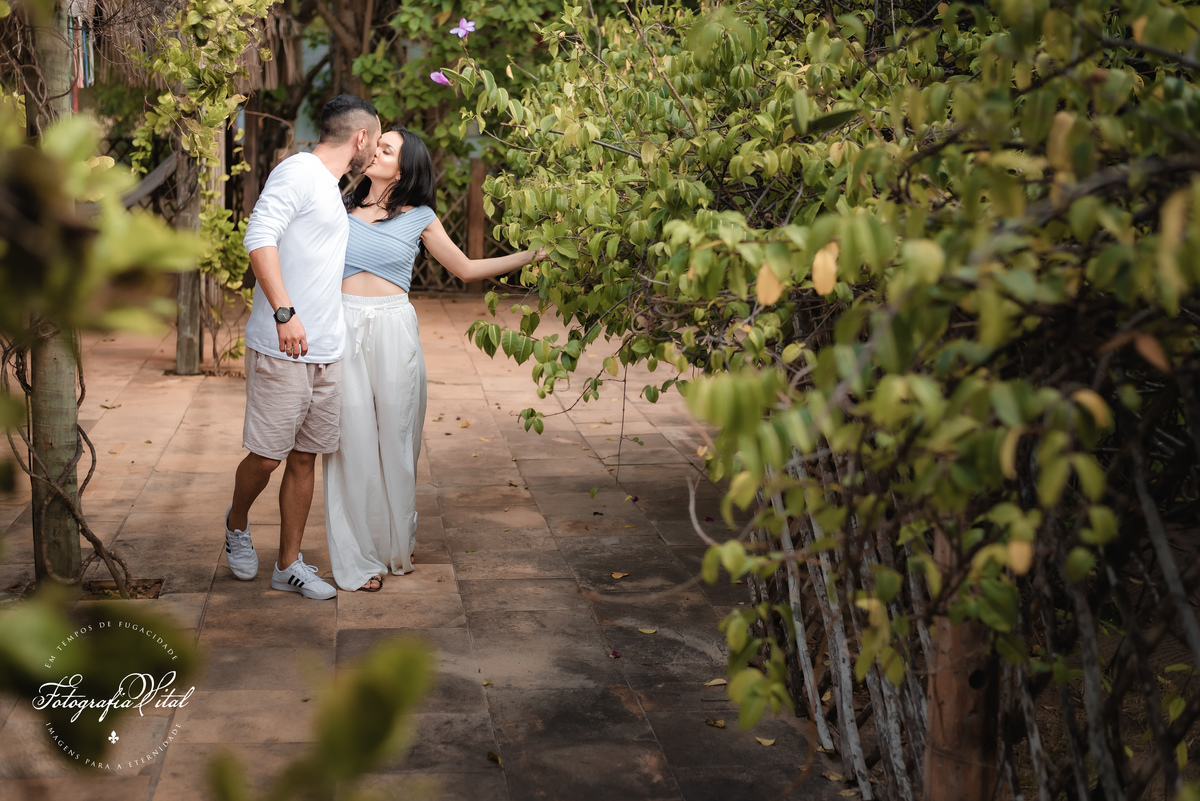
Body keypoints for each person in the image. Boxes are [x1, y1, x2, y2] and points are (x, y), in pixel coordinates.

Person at [324, 125, 547, 592]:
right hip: (343, 326)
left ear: (405, 168)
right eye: (377, 145)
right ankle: (358, 558)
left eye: (386, 149)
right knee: (352, 443)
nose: (374, 152)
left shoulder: (419, 216)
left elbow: (465, 269)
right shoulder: (338, 205)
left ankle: (393, 545)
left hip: (393, 329)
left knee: (398, 443)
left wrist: (530, 255)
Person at [221, 95, 382, 600]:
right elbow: (258, 237)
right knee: (268, 457)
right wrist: (284, 312)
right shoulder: (297, 173)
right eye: (376, 140)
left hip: (326, 349)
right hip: (283, 344)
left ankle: (287, 564)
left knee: (306, 458)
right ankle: (236, 522)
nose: (376, 150)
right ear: (359, 139)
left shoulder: (331, 188)